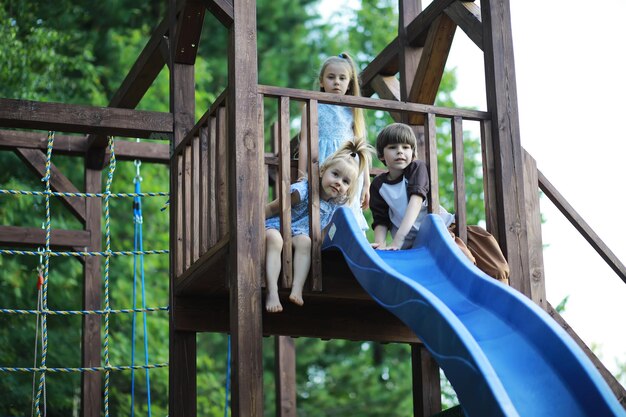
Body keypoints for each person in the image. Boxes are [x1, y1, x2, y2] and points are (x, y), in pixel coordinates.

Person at [369, 123, 510, 283]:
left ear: (413, 152)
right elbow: (381, 220)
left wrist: (398, 240)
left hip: (441, 228)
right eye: (393, 147)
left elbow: (415, 202)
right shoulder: (378, 185)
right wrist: (380, 246)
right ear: (381, 155)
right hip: (414, 244)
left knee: (483, 265)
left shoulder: (416, 168)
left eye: (406, 147)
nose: (400, 151)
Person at [265, 136, 374, 313]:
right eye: (335, 174)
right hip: (277, 226)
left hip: (299, 233)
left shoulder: (335, 206)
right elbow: (271, 209)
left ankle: (297, 289)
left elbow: (330, 234)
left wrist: (365, 245)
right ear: (323, 170)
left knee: (306, 243)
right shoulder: (301, 191)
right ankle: (272, 291)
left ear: (348, 188)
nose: (339, 182)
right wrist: (252, 226)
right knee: (274, 239)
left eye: (346, 181)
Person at [297, 52, 370, 233]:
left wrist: (367, 183)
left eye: (342, 78)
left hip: (349, 169)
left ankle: (349, 243)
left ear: (349, 83)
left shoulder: (352, 110)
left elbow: (361, 149)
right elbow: (305, 142)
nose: (336, 82)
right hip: (324, 164)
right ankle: (319, 243)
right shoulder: (313, 106)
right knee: (321, 211)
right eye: (331, 77)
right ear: (322, 81)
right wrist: (301, 173)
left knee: (347, 209)